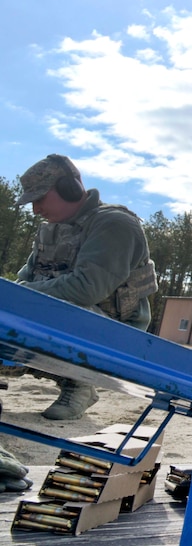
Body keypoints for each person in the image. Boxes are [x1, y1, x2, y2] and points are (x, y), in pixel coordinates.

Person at [14, 154, 158, 421]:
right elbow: (24, 281)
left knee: (48, 307)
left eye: (39, 199)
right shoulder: (52, 229)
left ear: (71, 188)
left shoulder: (114, 224)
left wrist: (20, 296)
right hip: (74, 320)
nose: (35, 209)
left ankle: (79, 384)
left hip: (113, 334)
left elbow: (86, 289)